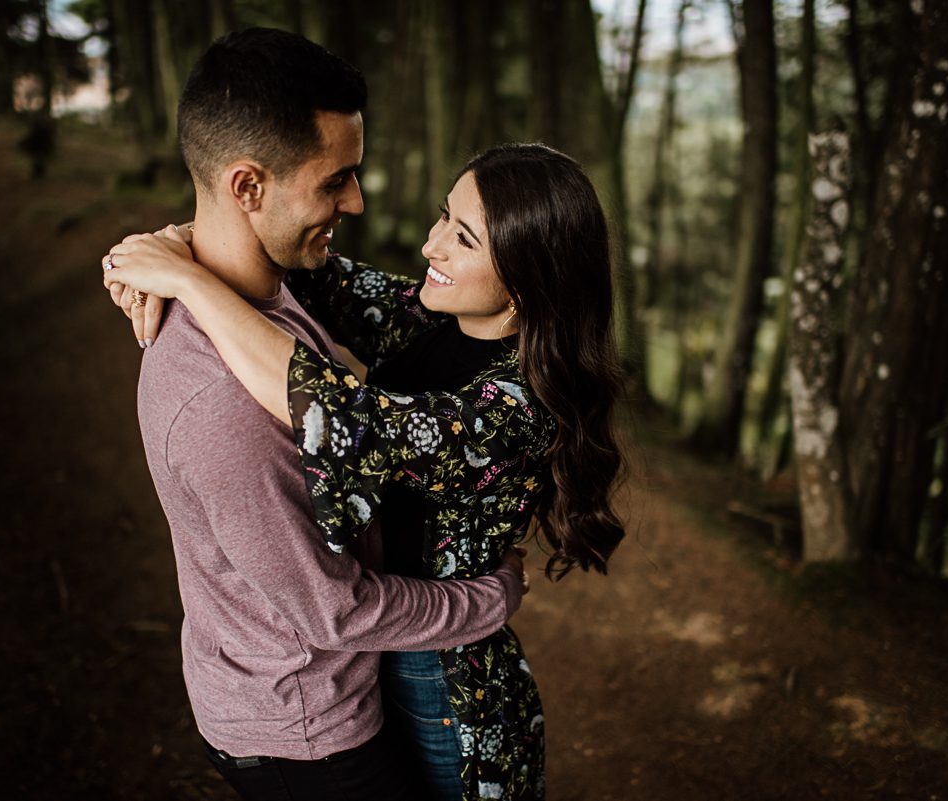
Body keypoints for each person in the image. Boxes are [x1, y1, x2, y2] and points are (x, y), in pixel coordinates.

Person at [104, 143, 628, 800]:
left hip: (444, 676)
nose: (431, 246)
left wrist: (185, 281)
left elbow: (349, 420)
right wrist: (168, 242)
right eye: (444, 217)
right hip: (385, 645)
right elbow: (292, 256)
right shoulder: (430, 316)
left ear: (524, 285)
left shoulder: (518, 406)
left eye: (462, 238)